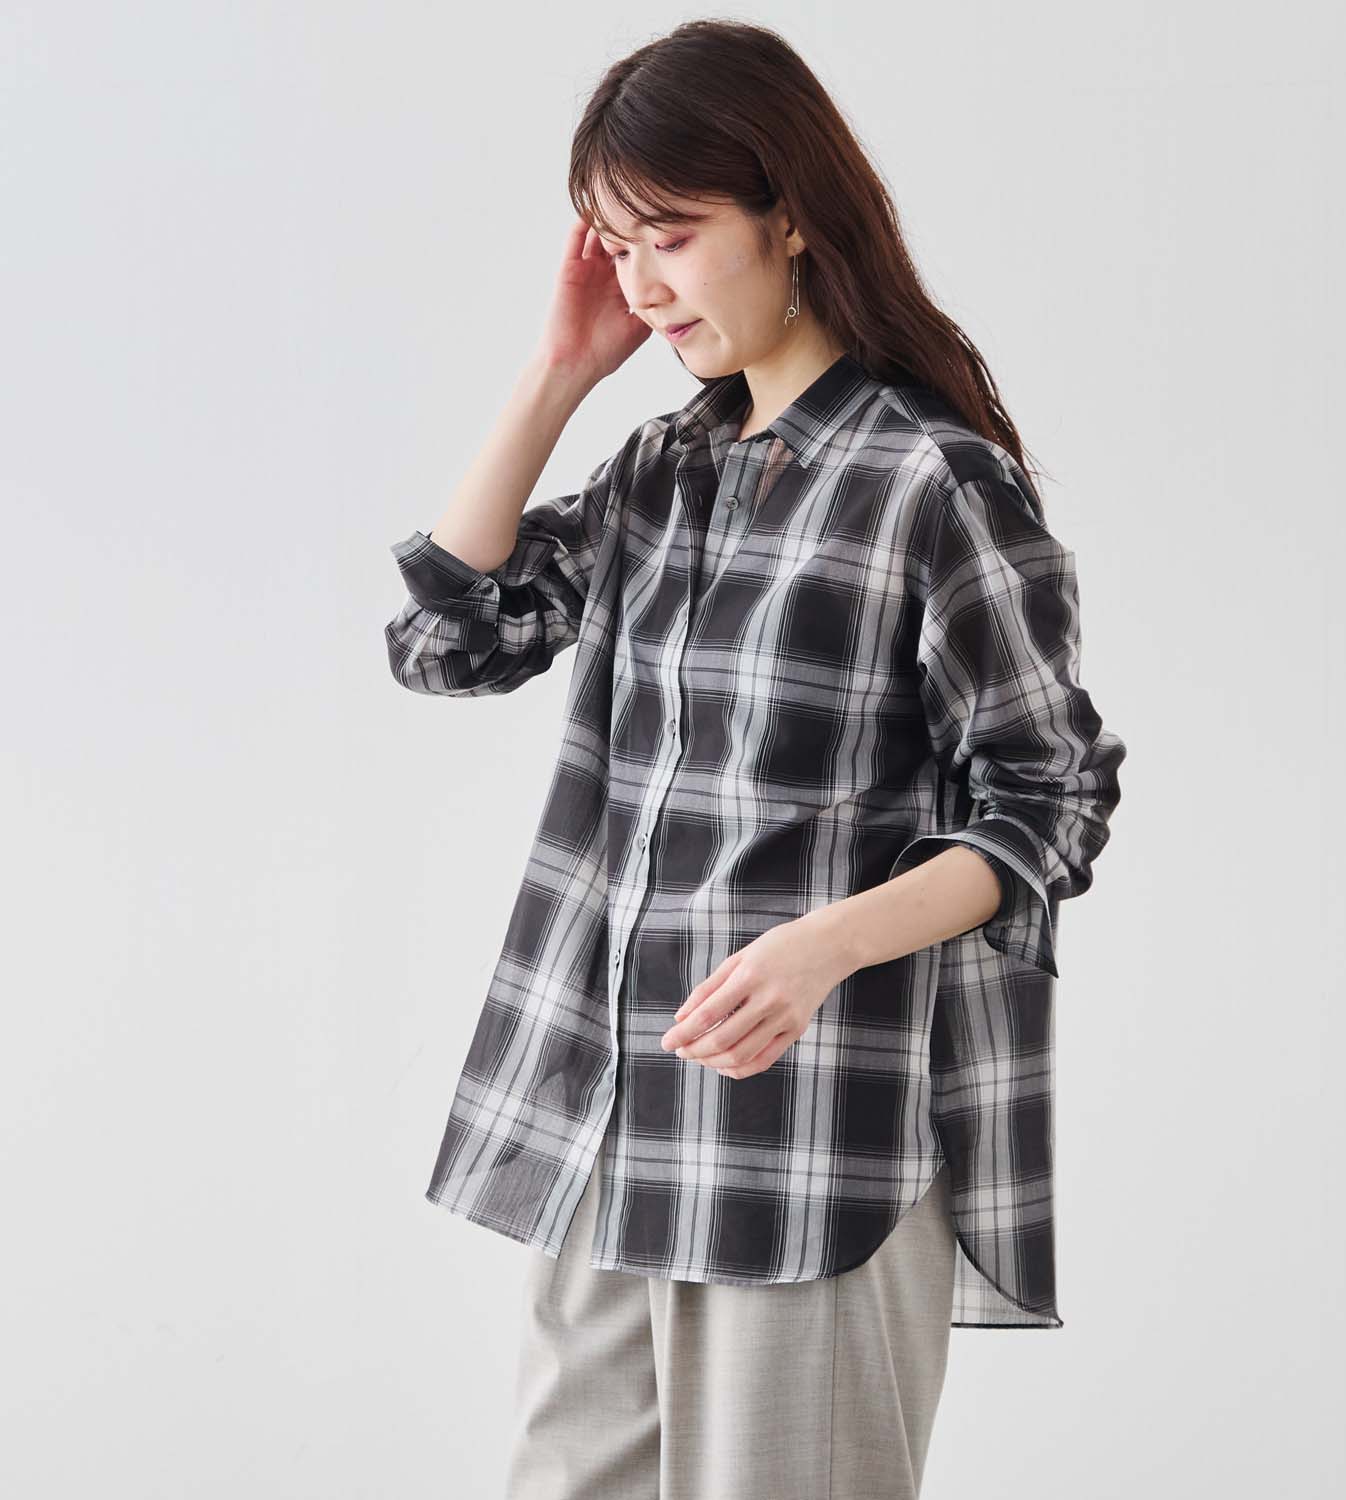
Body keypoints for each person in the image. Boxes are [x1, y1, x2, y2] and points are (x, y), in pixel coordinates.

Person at [384, 19, 1127, 1500]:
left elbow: (1050, 802)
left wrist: (825, 947)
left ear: (790, 214)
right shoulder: (667, 469)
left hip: (808, 1142)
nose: (643, 286)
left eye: (671, 236)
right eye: (615, 247)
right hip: (606, 1127)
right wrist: (556, 374)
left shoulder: (934, 484)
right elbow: (446, 642)